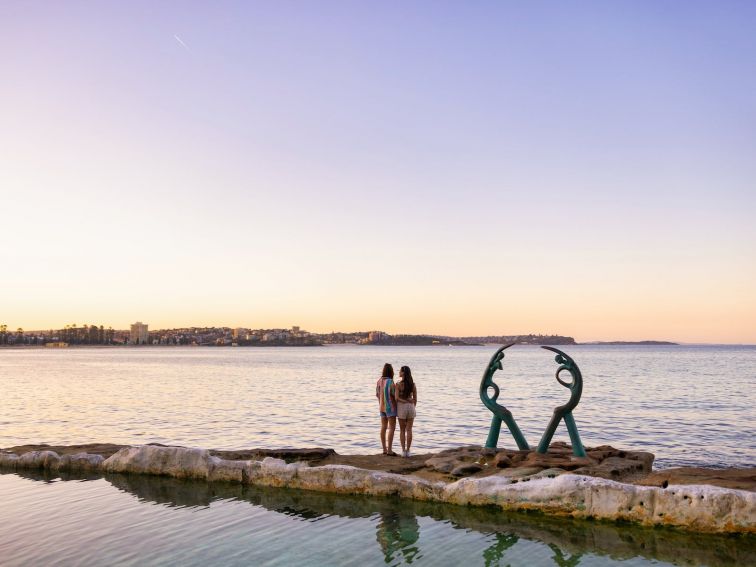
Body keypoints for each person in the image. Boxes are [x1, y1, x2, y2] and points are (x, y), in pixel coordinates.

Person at [376, 363, 398, 456]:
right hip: (391, 408)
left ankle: (384, 449)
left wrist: (381, 402)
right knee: (392, 428)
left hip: (381, 407)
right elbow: (394, 394)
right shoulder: (390, 382)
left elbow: (377, 394)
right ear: (391, 372)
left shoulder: (379, 381)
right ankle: (389, 450)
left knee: (383, 427)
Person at [396, 365, 417, 457]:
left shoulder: (398, 384)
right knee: (409, 430)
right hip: (411, 407)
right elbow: (415, 399)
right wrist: (411, 405)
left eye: (400, 371)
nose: (399, 372)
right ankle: (408, 451)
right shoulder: (413, 385)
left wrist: (404, 401)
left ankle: (403, 451)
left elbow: (396, 398)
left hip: (402, 408)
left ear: (403, 373)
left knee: (402, 430)